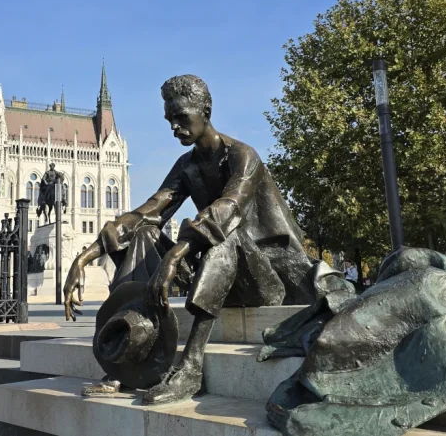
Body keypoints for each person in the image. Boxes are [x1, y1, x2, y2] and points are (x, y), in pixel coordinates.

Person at [63, 75, 325, 405]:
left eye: (182, 117)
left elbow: (226, 211)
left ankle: (190, 368)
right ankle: (128, 351)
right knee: (145, 232)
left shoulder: (243, 157)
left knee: (227, 232)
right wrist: (85, 257)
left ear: (206, 111)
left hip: (267, 280)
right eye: (170, 119)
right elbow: (149, 211)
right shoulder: (187, 165)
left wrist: (176, 256)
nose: (175, 127)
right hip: (220, 277)